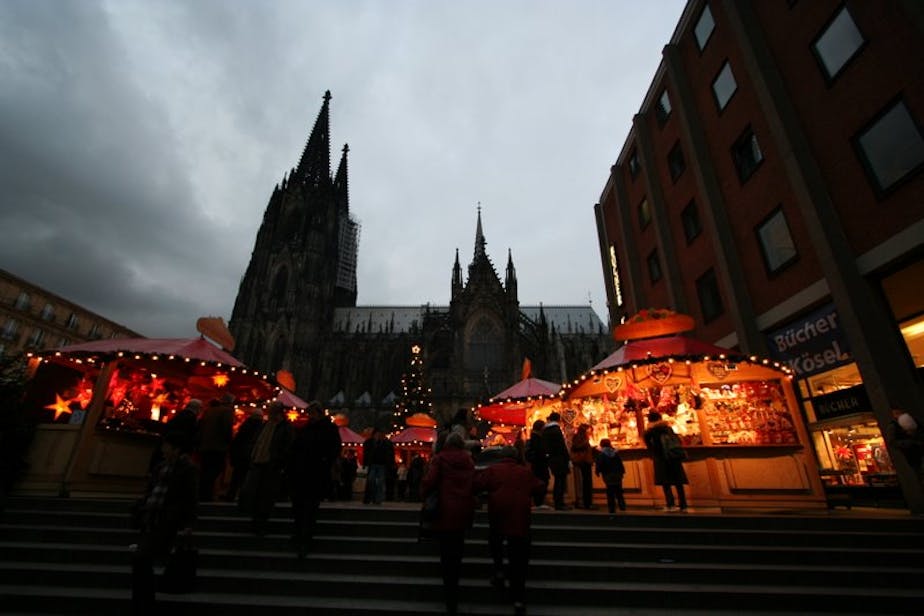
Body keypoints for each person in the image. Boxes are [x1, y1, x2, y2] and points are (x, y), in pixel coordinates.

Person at [131, 430, 198, 615]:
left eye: (166, 446)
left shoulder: (186, 468)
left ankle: (144, 601)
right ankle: (143, 599)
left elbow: (190, 497)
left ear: (175, 448)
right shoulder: (162, 466)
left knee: (142, 558)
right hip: (152, 517)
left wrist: (188, 524)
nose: (163, 449)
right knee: (142, 559)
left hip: (166, 519)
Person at [473, 445, 545, 616]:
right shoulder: (524, 471)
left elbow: (478, 484)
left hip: (498, 512)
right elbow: (539, 486)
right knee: (518, 557)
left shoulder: (493, 470)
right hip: (520, 516)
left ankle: (499, 571)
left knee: (495, 540)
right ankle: (518, 597)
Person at [420, 432, 477, 616]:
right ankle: (455, 586)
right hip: (463, 510)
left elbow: (429, 481)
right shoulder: (468, 461)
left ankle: (449, 594)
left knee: (446, 554)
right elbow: (474, 483)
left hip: (444, 510)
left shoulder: (440, 458)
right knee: (458, 550)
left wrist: (424, 492)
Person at [288, 401, 342, 558]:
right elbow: (295, 449)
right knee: (298, 506)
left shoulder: (329, 428)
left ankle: (306, 539)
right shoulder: (305, 429)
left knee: (310, 508)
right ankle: (298, 533)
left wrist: (325, 461)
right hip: (301, 473)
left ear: (319, 413)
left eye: (311, 413)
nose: (309, 416)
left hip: (317, 473)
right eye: (308, 414)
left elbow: (335, 449)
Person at [241, 401, 294, 535]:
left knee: (266, 495)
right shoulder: (265, 425)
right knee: (254, 492)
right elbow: (256, 442)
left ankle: (261, 522)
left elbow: (287, 447)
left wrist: (279, 462)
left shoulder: (285, 427)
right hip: (257, 462)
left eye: (271, 411)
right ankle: (255, 520)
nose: (269, 413)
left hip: (272, 465)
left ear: (278, 412)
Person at [643, 411, 688, 512]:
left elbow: (648, 445)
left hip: (661, 459)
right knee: (678, 482)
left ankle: (670, 504)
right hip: (673, 458)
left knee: (666, 483)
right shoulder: (668, 428)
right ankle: (683, 504)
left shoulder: (650, 432)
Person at [197, 394, 235, 501]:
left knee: (205, 470)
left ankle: (202, 493)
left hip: (205, 446)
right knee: (215, 470)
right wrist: (229, 443)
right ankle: (207, 494)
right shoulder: (227, 412)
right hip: (218, 447)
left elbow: (201, 426)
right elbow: (226, 429)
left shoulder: (210, 411)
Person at [224, 408, 264, 502]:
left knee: (237, 477)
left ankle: (231, 495)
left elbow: (237, 441)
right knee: (247, 479)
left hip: (241, 456)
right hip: (251, 456)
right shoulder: (261, 428)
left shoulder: (245, 426)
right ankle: (244, 498)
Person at [885, 408, 924, 488]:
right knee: (919, 472)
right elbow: (892, 442)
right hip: (912, 454)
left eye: (899, 412)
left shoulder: (913, 421)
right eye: (896, 413)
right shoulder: (893, 426)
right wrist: (909, 442)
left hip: (918, 450)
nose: (898, 414)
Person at [541, 412, 571, 510]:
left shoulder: (546, 431)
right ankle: (559, 502)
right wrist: (567, 458)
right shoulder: (556, 430)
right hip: (560, 459)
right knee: (561, 481)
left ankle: (557, 501)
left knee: (558, 480)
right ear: (558, 419)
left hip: (552, 459)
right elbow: (561, 446)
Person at [594, 438, 626, 515]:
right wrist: (622, 472)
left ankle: (612, 507)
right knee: (619, 490)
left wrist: (597, 471)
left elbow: (599, 464)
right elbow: (619, 463)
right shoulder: (615, 453)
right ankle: (622, 505)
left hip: (607, 474)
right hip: (617, 474)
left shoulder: (601, 454)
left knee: (610, 491)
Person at [363, 428, 394, 505]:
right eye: (377, 434)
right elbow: (366, 454)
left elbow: (389, 454)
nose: (378, 436)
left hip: (381, 464)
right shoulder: (369, 442)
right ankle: (372, 497)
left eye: (379, 434)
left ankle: (377, 499)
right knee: (371, 481)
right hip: (373, 464)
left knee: (380, 482)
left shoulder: (385, 443)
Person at [524, 419, 549, 509]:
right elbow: (540, 451)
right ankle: (539, 501)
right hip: (540, 465)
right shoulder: (538, 439)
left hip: (536, 465)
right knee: (542, 482)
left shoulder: (532, 438)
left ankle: (538, 500)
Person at [570, 423, 595, 509]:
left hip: (584, 461)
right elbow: (576, 447)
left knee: (586, 482)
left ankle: (587, 502)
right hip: (583, 461)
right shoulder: (580, 438)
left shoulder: (581, 437)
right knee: (585, 482)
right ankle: (586, 502)